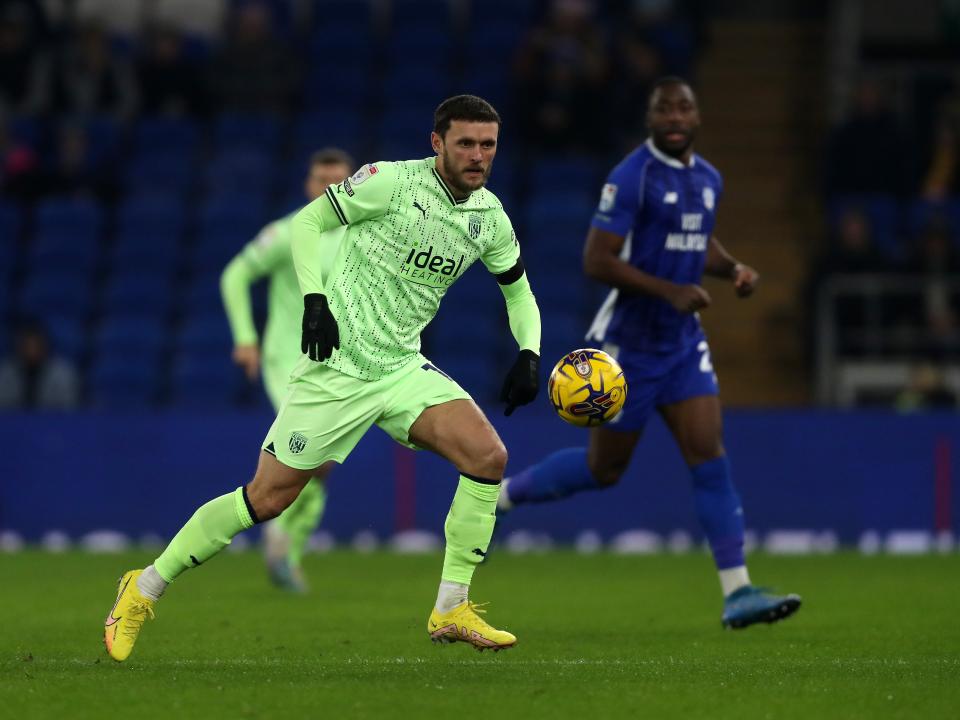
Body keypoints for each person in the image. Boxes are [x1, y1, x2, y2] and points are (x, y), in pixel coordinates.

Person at [103, 95, 542, 661]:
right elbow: (309, 221)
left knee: (487, 457)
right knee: (266, 499)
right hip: (334, 370)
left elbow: (518, 292)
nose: (478, 155)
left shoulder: (490, 217)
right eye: (465, 143)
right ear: (437, 143)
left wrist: (529, 353)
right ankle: (143, 588)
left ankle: (451, 606)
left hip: (401, 368)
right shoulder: (389, 183)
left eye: (487, 145)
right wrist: (315, 300)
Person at [496, 77, 802, 629]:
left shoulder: (709, 179)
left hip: (682, 345)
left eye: (684, 107)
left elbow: (696, 239)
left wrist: (732, 268)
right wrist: (670, 291)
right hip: (628, 350)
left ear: (697, 116)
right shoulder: (631, 177)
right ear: (650, 118)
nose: (675, 117)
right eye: (665, 109)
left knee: (708, 454)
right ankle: (502, 499)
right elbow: (597, 260)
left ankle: (738, 593)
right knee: (604, 469)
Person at [220, 148, 353, 592]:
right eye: (321, 180)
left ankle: (286, 549)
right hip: (288, 362)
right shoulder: (288, 232)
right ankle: (281, 538)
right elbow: (235, 275)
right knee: (313, 456)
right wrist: (245, 337)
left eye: (338, 181)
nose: (329, 188)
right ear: (307, 185)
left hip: (340, 366)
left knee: (323, 464)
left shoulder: (365, 234)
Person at [0, 318, 80, 410]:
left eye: (35, 346)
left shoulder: (63, 374)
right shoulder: (4, 373)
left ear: (45, 346)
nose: (31, 351)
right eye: (27, 346)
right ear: (19, 347)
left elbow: (69, 410)